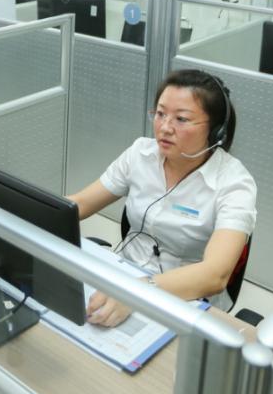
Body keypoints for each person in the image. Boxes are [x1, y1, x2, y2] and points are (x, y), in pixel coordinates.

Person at [67, 70, 257, 326]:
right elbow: (80, 204)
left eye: (181, 119)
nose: (165, 128)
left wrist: (137, 292)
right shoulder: (140, 154)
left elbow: (215, 275)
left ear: (216, 131)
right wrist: (28, 213)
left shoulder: (235, 184)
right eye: (160, 114)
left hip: (185, 298)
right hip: (124, 276)